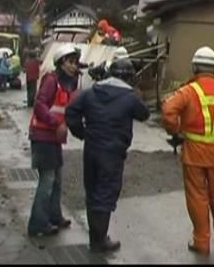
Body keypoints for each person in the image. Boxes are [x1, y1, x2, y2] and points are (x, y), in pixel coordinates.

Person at [162, 46, 214, 255]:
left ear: (195, 67)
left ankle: (201, 242)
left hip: (194, 154)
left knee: (197, 197)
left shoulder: (188, 91)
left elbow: (168, 109)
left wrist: (176, 129)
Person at [65, 59, 149, 253]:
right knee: (106, 192)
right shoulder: (130, 96)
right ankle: (99, 241)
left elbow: (71, 112)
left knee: (92, 190)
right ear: (129, 77)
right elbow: (144, 114)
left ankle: (95, 236)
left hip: (91, 148)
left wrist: (82, 133)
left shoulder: (91, 92)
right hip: (113, 151)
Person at [27, 44, 81, 237]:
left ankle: (54, 216)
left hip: (53, 139)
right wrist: (55, 124)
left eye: (75, 63)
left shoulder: (65, 84)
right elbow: (39, 104)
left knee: (57, 179)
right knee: (47, 180)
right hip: (43, 137)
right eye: (71, 62)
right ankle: (38, 224)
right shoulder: (52, 81)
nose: (74, 67)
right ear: (61, 63)